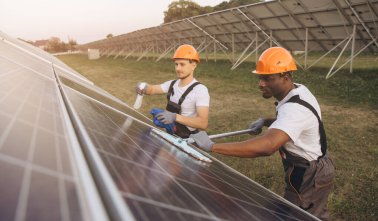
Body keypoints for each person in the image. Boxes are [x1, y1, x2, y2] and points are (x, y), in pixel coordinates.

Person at [189, 47, 335, 220]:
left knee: (299, 215)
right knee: (310, 212)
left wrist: (212, 146)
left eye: (268, 78)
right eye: (260, 77)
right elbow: (294, 124)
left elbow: (267, 146)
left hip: (309, 175)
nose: (261, 84)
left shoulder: (294, 109)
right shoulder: (299, 90)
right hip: (313, 166)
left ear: (285, 78)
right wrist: (266, 121)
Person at [135, 44, 210, 139]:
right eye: (176, 64)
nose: (178, 68)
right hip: (171, 134)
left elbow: (203, 123)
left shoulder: (200, 90)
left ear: (193, 65)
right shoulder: (172, 84)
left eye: (182, 64)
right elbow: (152, 89)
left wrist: (175, 117)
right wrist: (144, 87)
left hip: (188, 140)